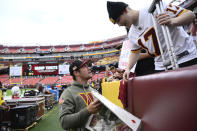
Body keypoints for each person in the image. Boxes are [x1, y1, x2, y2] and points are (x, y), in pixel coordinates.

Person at [106, 1, 197, 82]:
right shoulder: (132, 33)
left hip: (186, 56)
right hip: (161, 67)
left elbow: (190, 15)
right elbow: (134, 52)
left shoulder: (154, 8)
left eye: (118, 20)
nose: (119, 25)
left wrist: (173, 21)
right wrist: (128, 68)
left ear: (125, 10)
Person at [59, 59, 102, 131]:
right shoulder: (68, 93)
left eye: (88, 66)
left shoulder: (94, 91)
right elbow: (64, 122)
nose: (89, 68)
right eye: (84, 67)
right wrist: (87, 111)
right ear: (76, 72)